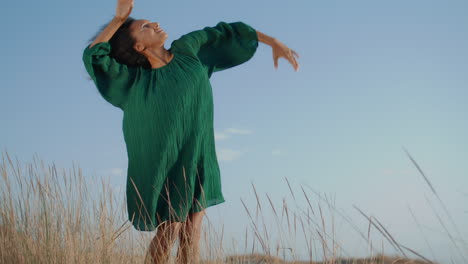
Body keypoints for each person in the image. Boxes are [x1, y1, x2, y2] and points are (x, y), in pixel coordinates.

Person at [83, 0, 299, 262]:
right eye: (147, 27)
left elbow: (224, 32)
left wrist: (272, 41)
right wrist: (118, 21)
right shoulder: (133, 81)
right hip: (163, 161)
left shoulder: (187, 49)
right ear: (138, 46)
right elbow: (95, 56)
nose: (156, 25)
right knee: (170, 228)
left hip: (199, 152)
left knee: (192, 230)